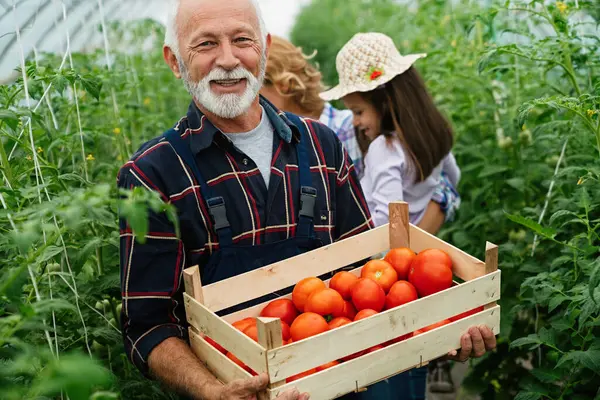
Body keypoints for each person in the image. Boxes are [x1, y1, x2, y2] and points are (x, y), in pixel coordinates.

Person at [117, 0, 497, 398]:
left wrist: (436, 329)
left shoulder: (321, 145)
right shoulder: (153, 175)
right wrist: (212, 390)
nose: (228, 59)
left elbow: (369, 274)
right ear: (175, 61)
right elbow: (148, 324)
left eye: (241, 39)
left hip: (350, 381)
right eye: (206, 44)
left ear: (263, 48)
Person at [319, 32, 466, 399]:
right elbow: (454, 179)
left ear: (385, 101)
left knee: (381, 367)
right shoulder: (435, 132)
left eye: (358, 111)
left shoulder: (384, 149)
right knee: (410, 361)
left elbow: (387, 222)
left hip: (384, 270)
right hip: (417, 267)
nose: (355, 122)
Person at [261, 35, 456, 235]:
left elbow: (441, 186)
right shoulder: (270, 150)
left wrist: (406, 248)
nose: (254, 103)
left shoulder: (354, 132)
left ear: (282, 84)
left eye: (257, 92)